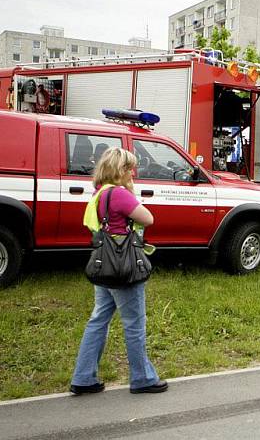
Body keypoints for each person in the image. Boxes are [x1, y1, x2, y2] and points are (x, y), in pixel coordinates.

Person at [71, 147, 168, 395]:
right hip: (124, 267)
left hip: (104, 264)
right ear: (120, 170)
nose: (133, 172)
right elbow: (148, 218)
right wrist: (131, 190)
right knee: (134, 324)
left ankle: (83, 377)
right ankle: (142, 377)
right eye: (129, 168)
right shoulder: (119, 195)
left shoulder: (98, 193)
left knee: (98, 319)